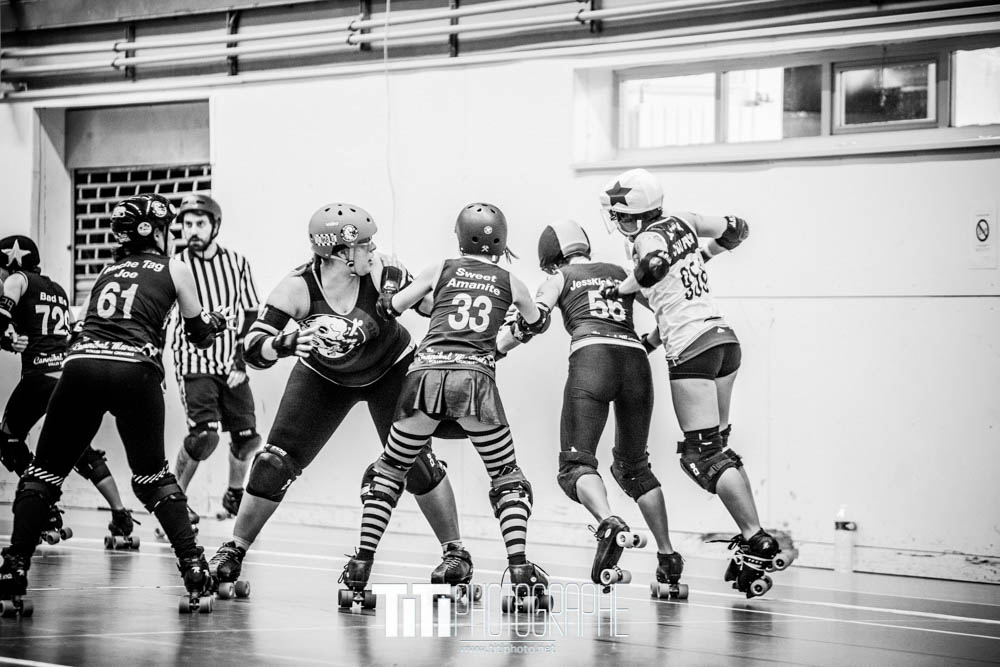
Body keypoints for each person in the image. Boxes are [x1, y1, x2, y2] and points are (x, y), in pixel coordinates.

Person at [208, 203, 463, 601]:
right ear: (340, 253)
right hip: (324, 377)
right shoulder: (297, 287)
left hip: (390, 369)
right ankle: (235, 547)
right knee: (273, 464)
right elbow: (252, 349)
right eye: (365, 244)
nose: (373, 248)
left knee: (415, 464)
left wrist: (446, 286)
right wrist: (286, 343)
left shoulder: (381, 272)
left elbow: (433, 308)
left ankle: (454, 553)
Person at [0, 195, 229, 617]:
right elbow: (198, 334)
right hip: (134, 370)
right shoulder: (173, 265)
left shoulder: (106, 272)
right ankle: (194, 569)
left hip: (81, 367)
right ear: (155, 231)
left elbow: (87, 322)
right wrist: (215, 322)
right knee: (152, 478)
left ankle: (13, 569)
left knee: (43, 475)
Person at [342, 202, 551, 614]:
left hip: (425, 375)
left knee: (390, 469)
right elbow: (536, 323)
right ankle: (521, 572)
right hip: (475, 379)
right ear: (502, 240)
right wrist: (525, 318)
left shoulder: (441, 268)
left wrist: (388, 284)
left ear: (460, 235)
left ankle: (360, 568)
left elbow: (392, 308)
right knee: (506, 477)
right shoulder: (511, 280)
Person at [598, 168, 791, 598]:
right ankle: (750, 538)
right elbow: (736, 229)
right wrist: (707, 254)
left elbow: (651, 267)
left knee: (700, 456)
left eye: (619, 216)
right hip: (723, 340)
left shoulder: (643, 241)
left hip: (693, 351)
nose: (620, 225)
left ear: (630, 216)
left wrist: (636, 280)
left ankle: (756, 535)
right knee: (716, 449)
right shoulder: (683, 219)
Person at [497, 219, 686, 599]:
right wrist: (645, 344)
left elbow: (535, 319)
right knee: (635, 468)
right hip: (635, 363)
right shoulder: (618, 271)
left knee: (576, 465)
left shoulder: (561, 277)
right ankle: (668, 560)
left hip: (592, 357)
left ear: (550, 259)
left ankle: (608, 522)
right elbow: (669, 311)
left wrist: (498, 348)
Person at [0, 235, 136, 550]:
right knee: (78, 448)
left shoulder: (17, 280)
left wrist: (8, 341)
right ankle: (121, 514)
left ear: (10, 264)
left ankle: (45, 506)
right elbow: (74, 331)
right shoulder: (57, 289)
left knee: (8, 439)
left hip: (39, 377)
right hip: (70, 375)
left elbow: (2, 317)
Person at [167, 194, 261, 526]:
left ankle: (234, 494)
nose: (192, 231)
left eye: (200, 224)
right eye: (187, 224)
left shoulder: (236, 262)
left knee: (248, 437)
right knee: (205, 436)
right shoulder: (174, 264)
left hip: (229, 362)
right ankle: (173, 504)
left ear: (214, 226)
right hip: (193, 360)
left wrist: (241, 360)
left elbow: (250, 311)